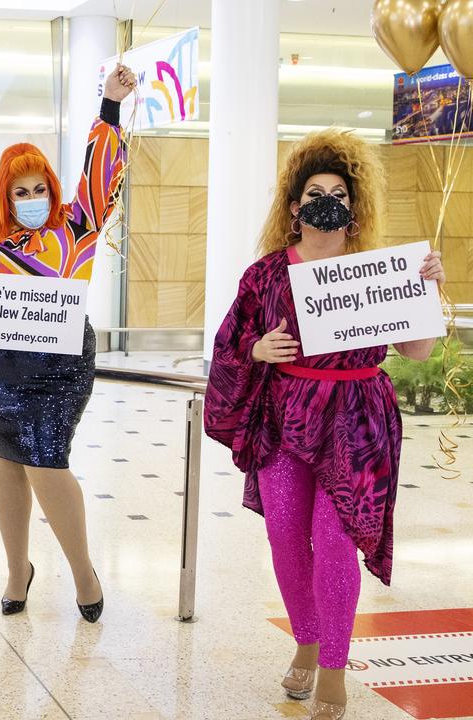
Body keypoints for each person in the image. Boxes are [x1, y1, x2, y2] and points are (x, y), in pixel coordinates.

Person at [204, 129, 445, 720]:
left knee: (336, 545)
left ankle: (333, 668)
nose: (326, 202)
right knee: (286, 536)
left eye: (339, 193)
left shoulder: (379, 273)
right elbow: (231, 346)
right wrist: (258, 351)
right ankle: (306, 642)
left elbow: (415, 352)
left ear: (354, 208)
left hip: (357, 423)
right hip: (286, 420)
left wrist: (430, 290)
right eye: (315, 192)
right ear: (294, 207)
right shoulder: (265, 276)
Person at [0, 65, 134, 622]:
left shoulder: (77, 227)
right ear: (5, 194)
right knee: (4, 463)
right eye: (18, 192)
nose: (30, 198)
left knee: (47, 461)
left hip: (59, 366)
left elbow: (100, 176)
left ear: (50, 187)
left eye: (38, 188)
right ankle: (16, 568)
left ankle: (83, 572)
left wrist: (109, 106)